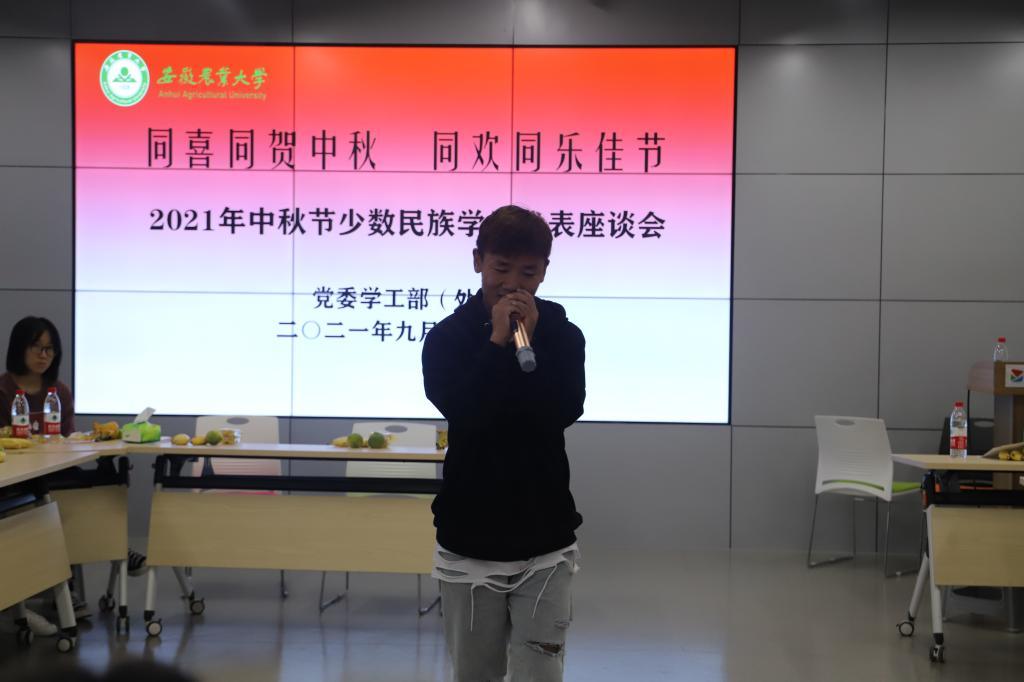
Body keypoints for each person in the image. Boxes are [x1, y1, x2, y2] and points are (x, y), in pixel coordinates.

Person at [422, 205, 586, 682]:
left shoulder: (562, 335)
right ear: (478, 261)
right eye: (501, 268)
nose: (513, 283)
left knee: (542, 671)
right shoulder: (448, 338)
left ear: (544, 272)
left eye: (528, 272)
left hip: (545, 534)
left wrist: (530, 341)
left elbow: (564, 409)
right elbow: (466, 413)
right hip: (470, 536)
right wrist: (496, 344)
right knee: (475, 672)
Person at [0, 317, 146, 637]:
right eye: (37, 347)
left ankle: (115, 548)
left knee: (90, 489)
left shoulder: (59, 392)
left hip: (56, 471)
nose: (44, 355)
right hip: (16, 479)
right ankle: (65, 587)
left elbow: (66, 439)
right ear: (19, 348)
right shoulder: (3, 390)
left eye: (50, 349)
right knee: (43, 503)